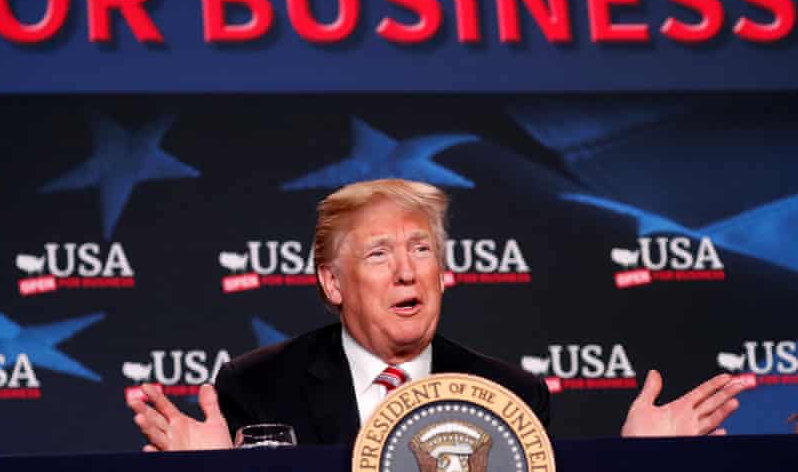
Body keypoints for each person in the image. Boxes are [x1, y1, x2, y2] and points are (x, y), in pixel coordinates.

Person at [129, 179, 745, 450]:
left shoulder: (509, 392)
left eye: (422, 249)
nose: (407, 271)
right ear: (331, 282)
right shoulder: (256, 386)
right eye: (379, 254)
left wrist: (637, 462)